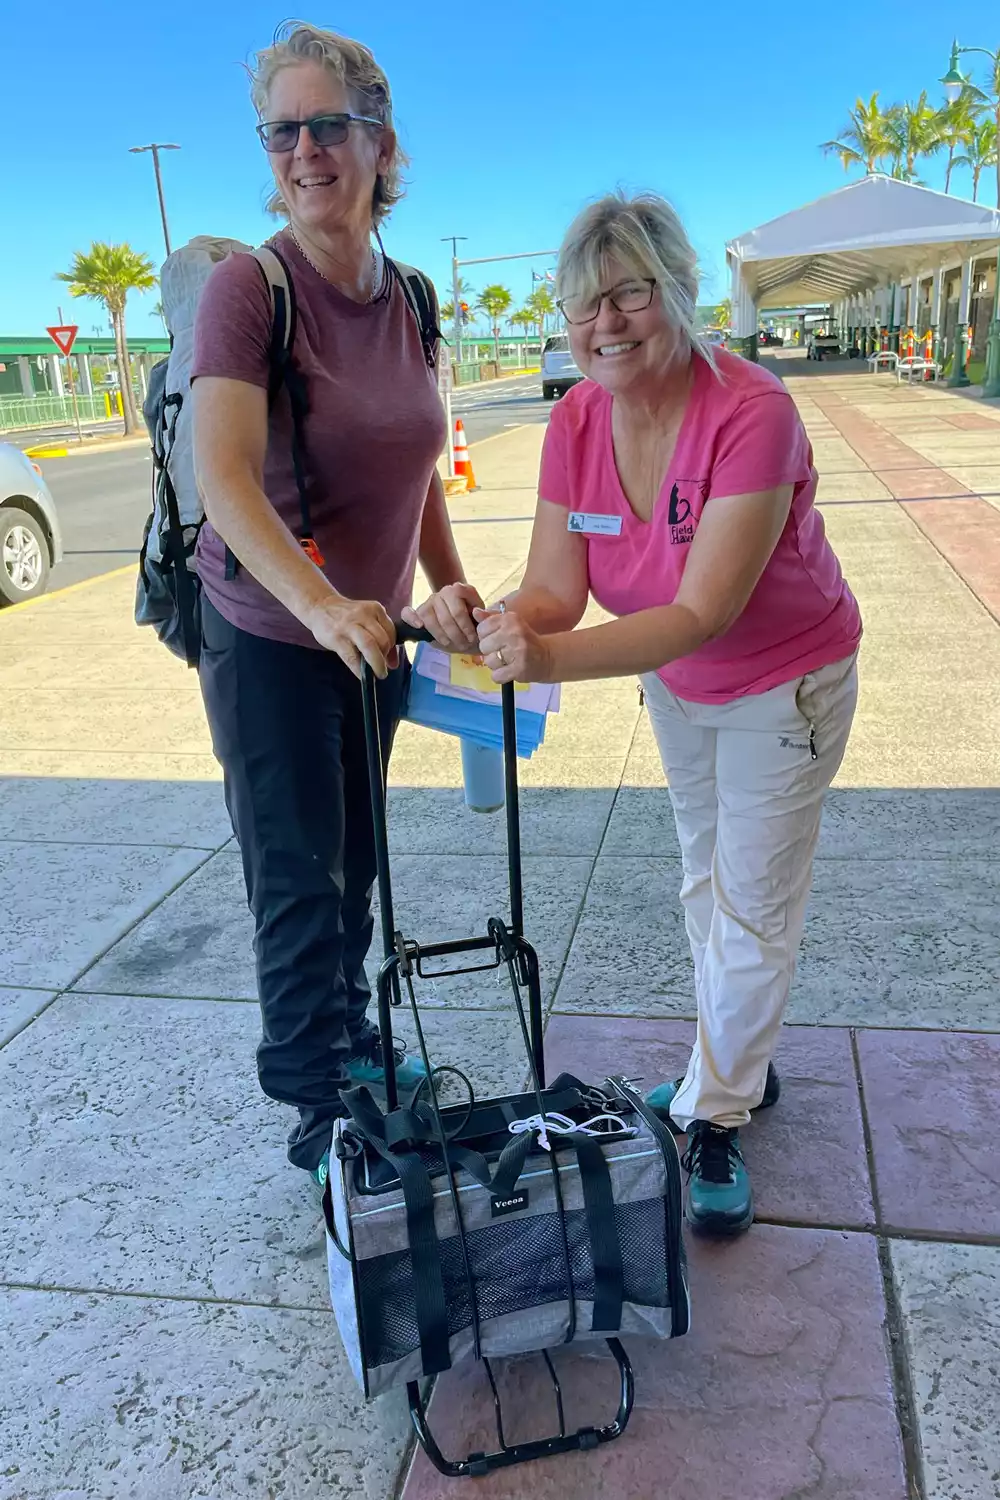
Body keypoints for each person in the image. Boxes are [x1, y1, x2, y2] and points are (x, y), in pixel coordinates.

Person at [473, 191, 862, 1238]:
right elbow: (553, 589)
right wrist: (497, 619)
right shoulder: (574, 421)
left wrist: (547, 656)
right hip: (678, 687)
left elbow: (702, 611)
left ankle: (717, 1112)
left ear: (679, 294)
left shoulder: (750, 412)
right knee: (704, 878)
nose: (604, 324)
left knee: (752, 901)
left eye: (629, 294)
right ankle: (733, 1065)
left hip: (785, 679)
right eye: (582, 304)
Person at [190, 22, 481, 1197]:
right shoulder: (247, 290)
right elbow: (223, 476)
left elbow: (415, 465)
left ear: (380, 142)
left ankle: (352, 1046)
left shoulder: (409, 294)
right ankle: (320, 1114)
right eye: (282, 132)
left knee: (356, 859)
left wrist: (444, 583)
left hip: (373, 639)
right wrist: (320, 609)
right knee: (298, 876)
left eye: (327, 126)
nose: (304, 151)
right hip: (270, 635)